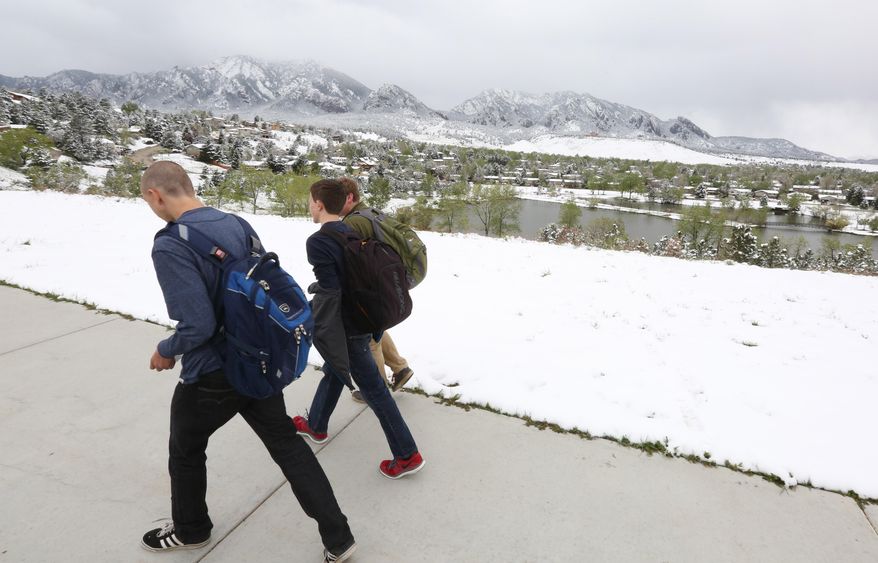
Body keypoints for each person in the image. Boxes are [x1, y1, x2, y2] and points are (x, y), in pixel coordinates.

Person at [139, 161, 356, 562]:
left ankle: (191, 530)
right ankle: (338, 536)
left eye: (148, 201)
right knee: (288, 446)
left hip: (214, 372)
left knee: (185, 448)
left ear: (156, 195)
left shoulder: (170, 243)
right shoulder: (236, 223)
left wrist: (166, 350)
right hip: (258, 359)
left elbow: (198, 324)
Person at [293, 178, 425, 480]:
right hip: (366, 318)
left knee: (376, 392)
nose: (309, 206)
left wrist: (308, 316)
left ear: (319, 204)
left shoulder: (318, 241)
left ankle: (407, 455)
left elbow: (331, 291)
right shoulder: (350, 231)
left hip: (348, 327)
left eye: (310, 200)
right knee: (334, 370)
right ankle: (317, 424)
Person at [338, 177, 414, 404]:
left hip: (376, 286)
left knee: (371, 339)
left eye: (336, 198)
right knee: (376, 329)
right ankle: (400, 368)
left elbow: (352, 261)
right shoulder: (368, 213)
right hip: (390, 279)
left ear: (350, 198)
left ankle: (377, 389)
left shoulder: (353, 223)